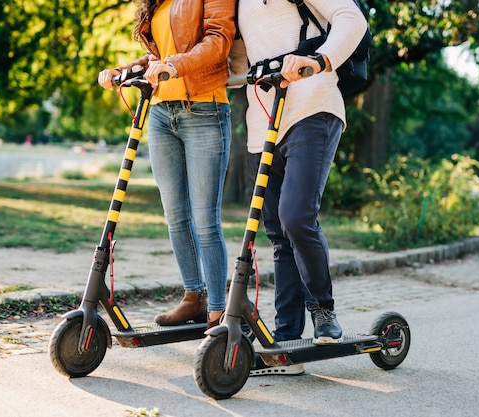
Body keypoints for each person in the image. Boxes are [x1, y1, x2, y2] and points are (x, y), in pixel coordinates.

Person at [229, 0, 368, 374]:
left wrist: (320, 60)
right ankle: (287, 338)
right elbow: (238, 62)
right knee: (277, 230)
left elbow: (351, 18)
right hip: (264, 120)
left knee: (296, 216)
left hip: (312, 105)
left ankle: (322, 308)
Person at [98, 0, 235, 329]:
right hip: (161, 112)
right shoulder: (158, 2)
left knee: (205, 220)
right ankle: (193, 297)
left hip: (204, 109)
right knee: (175, 215)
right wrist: (124, 71)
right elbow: (158, 57)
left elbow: (218, 41)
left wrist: (174, 66)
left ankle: (218, 311)